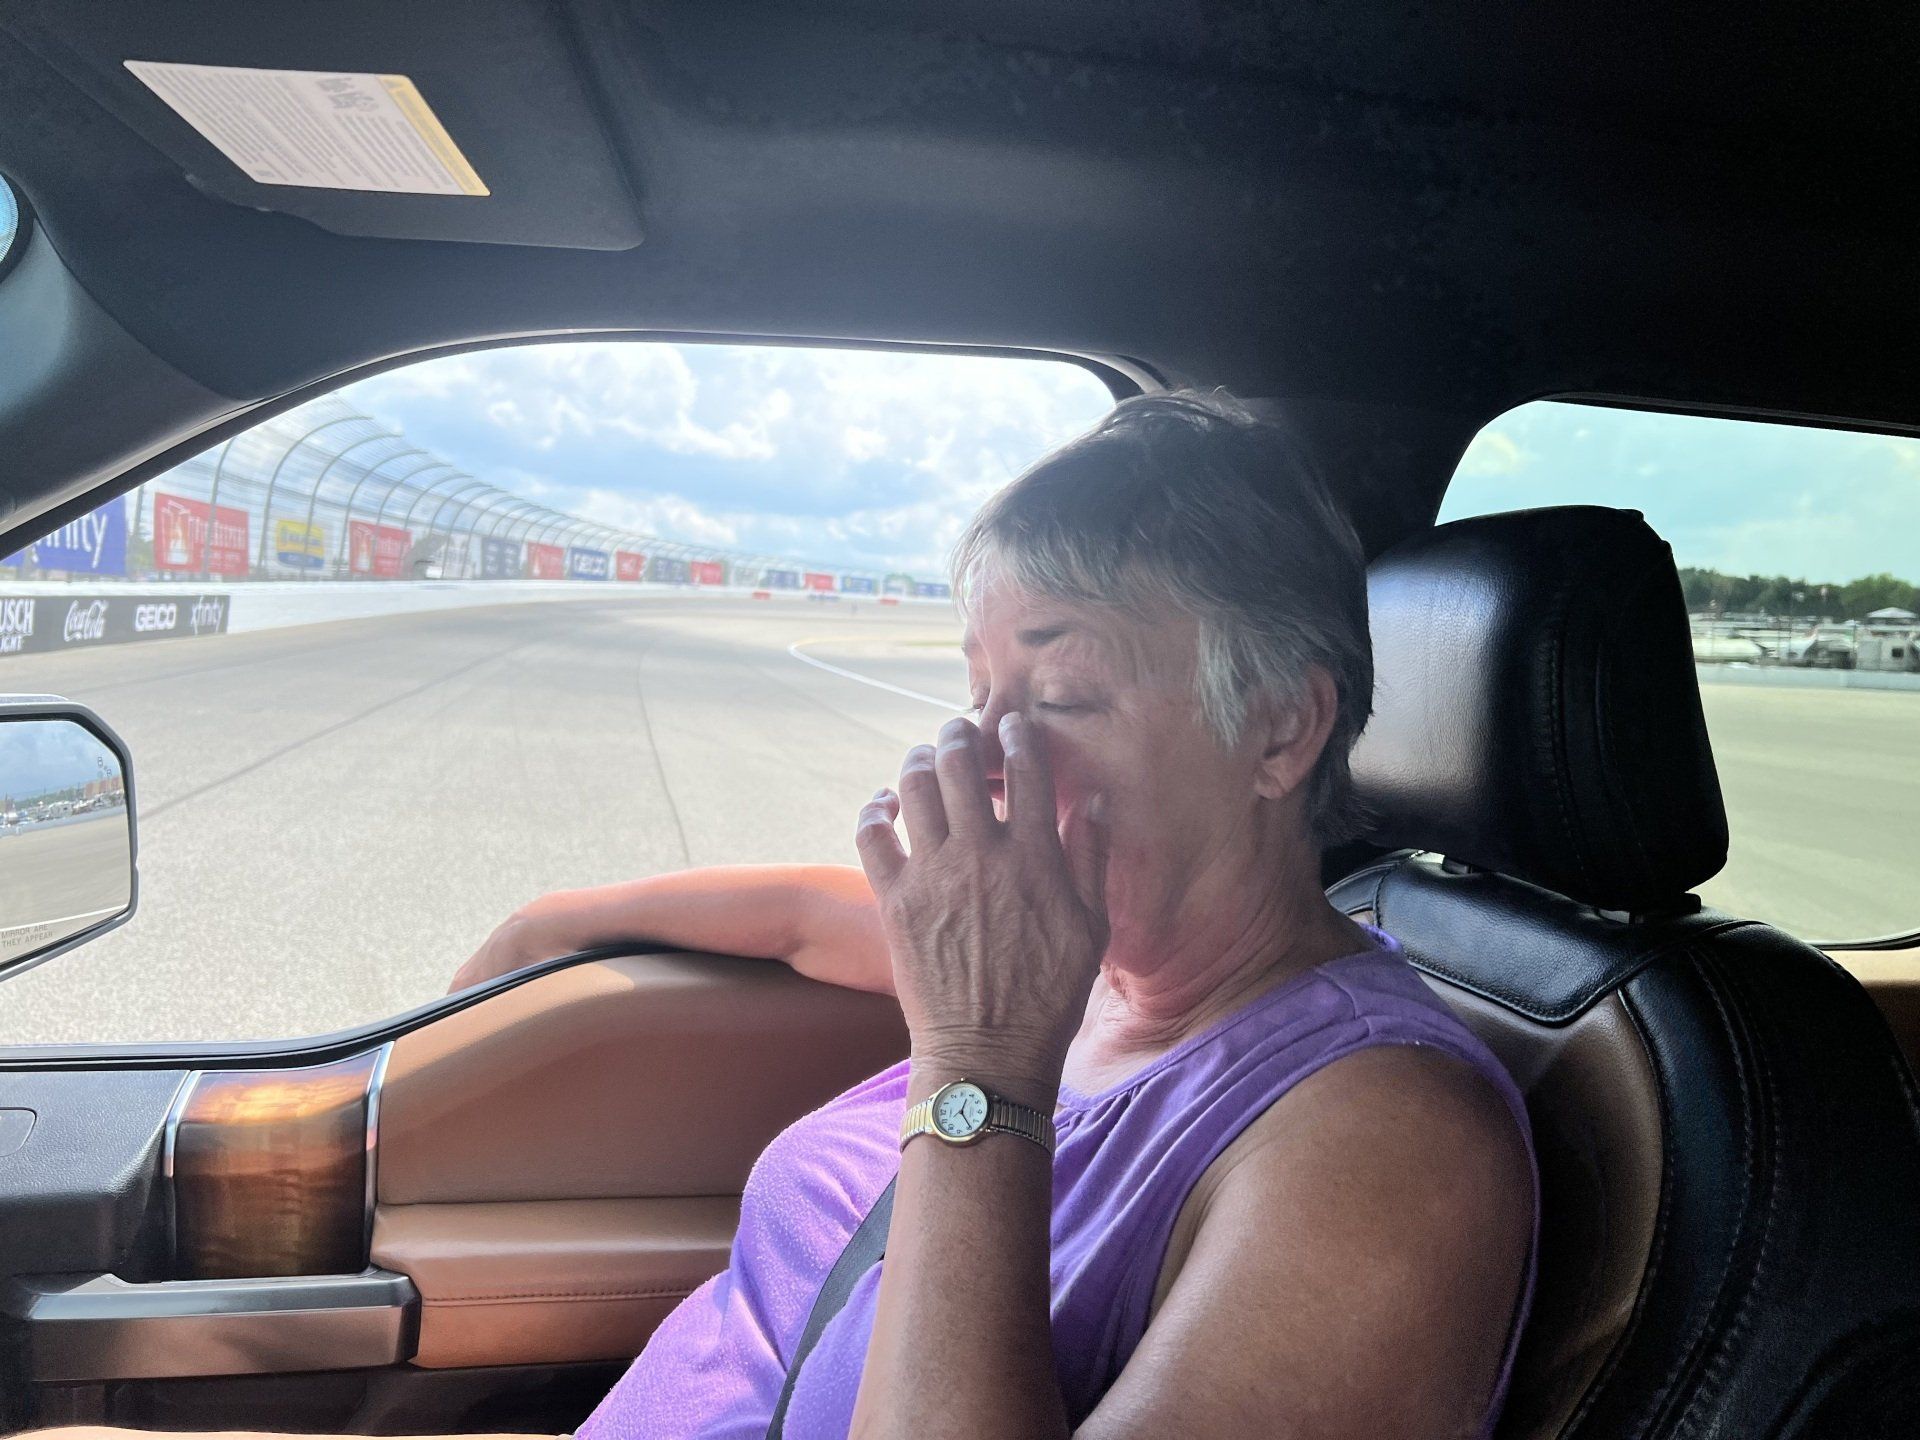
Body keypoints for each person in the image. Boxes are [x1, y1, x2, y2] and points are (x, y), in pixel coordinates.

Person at [31, 393, 1535, 1440]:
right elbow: (803, 919)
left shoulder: (1381, 1141)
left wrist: (982, 1070)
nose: (973, 757)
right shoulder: (1092, 957)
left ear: (1280, 732)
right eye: (977, 690)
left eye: (1062, 698)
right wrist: (547, 928)